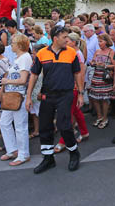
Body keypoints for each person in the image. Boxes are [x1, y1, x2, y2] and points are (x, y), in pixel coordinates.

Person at [27, 26, 84, 173]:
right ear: (55, 38)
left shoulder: (72, 53)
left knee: (64, 125)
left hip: (66, 94)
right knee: (45, 127)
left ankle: (74, 153)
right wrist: (28, 97)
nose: (67, 40)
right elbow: (33, 75)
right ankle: (48, 159)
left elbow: (78, 74)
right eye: (65, 37)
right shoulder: (42, 53)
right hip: (47, 95)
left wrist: (81, 93)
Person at [0, 34, 32, 166]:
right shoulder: (18, 58)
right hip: (11, 95)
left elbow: (23, 80)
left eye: (13, 43)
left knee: (20, 126)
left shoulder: (25, 58)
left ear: (19, 44)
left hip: (19, 95)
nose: (11, 45)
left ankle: (23, 154)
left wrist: (8, 81)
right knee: (4, 123)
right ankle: (12, 149)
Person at [55, 33, 90, 151]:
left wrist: (80, 90)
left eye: (68, 40)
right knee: (75, 111)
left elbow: (80, 72)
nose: (65, 41)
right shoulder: (68, 52)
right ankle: (84, 132)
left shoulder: (77, 54)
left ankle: (63, 141)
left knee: (68, 113)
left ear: (74, 42)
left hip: (73, 87)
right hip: (67, 86)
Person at [89, 33, 115, 129]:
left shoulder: (111, 52)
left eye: (101, 41)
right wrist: (93, 63)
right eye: (98, 41)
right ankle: (99, 116)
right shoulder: (97, 51)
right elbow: (92, 61)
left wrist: (104, 65)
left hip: (105, 78)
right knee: (95, 98)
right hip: (96, 77)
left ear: (106, 41)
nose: (99, 43)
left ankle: (105, 118)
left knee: (104, 99)